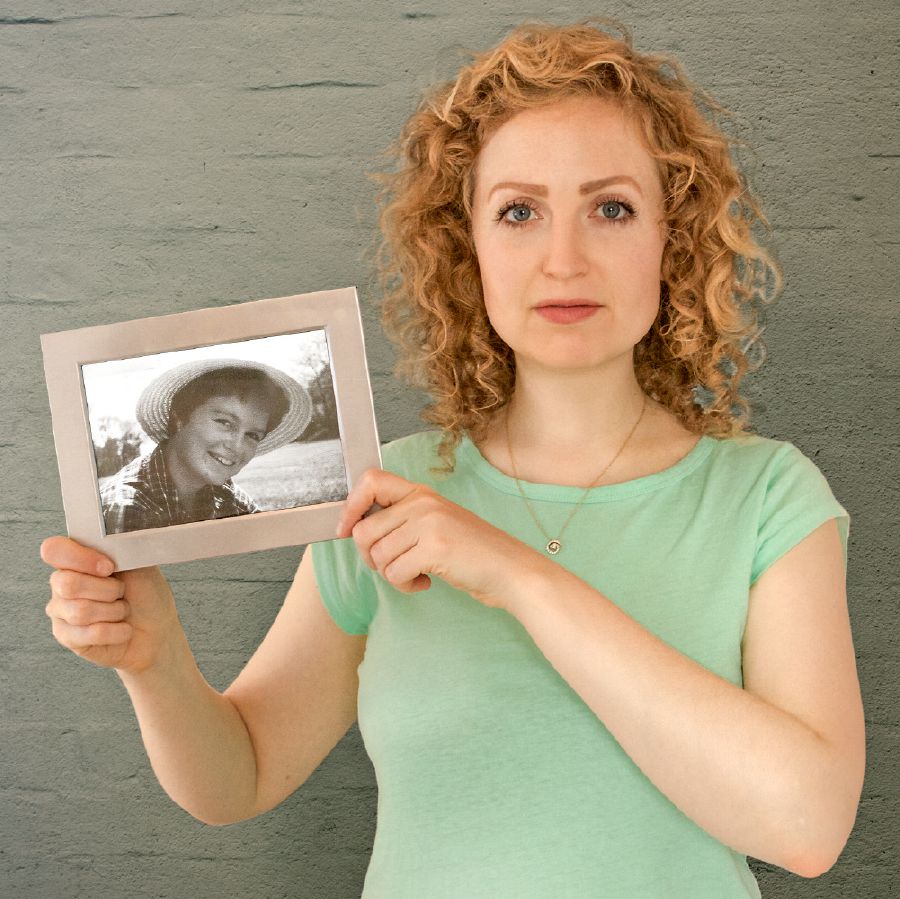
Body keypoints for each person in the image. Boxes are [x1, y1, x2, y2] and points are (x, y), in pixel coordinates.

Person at [42, 19, 864, 898]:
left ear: (675, 236)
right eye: (519, 212)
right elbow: (237, 776)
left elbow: (809, 827)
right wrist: (156, 659)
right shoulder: (387, 497)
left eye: (612, 208)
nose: (563, 258)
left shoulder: (769, 497)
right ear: (466, 249)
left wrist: (517, 574)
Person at [99, 358, 312, 533]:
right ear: (180, 416)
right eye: (224, 422)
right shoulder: (129, 509)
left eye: (253, 435)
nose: (237, 446)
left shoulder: (225, 495)